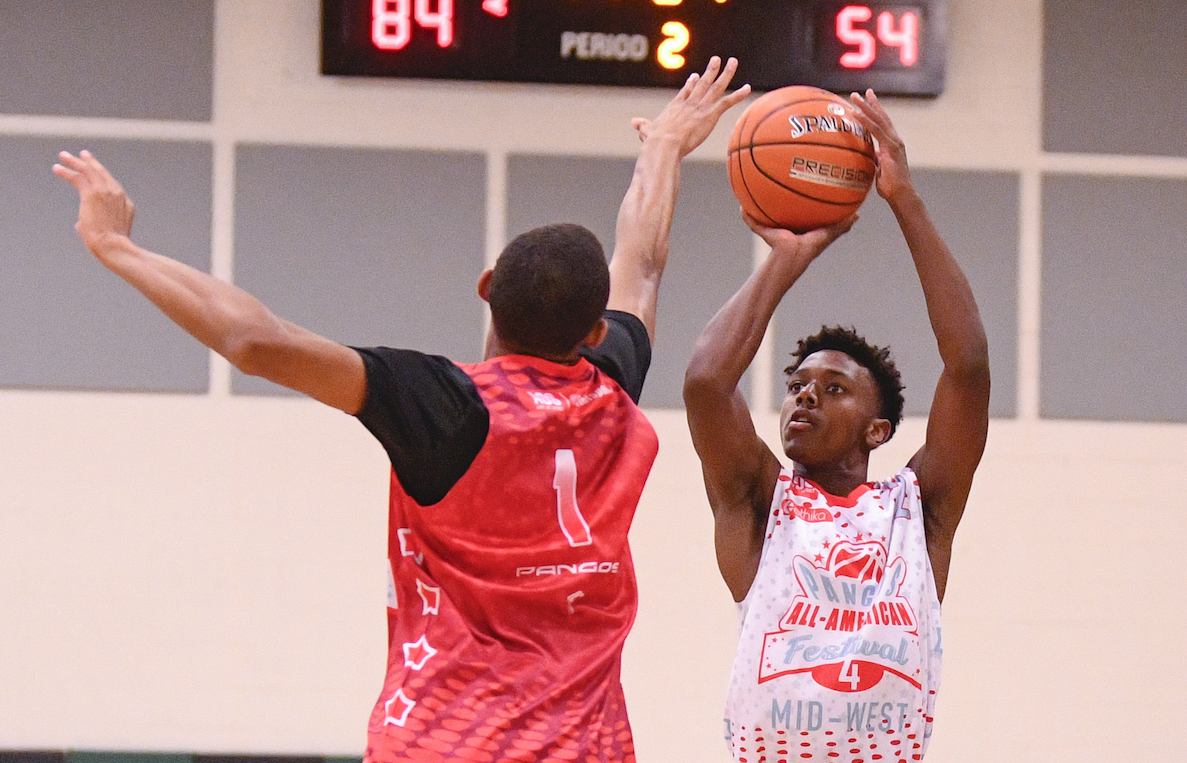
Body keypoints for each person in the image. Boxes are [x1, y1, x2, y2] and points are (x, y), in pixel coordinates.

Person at [54, 57, 750, 763]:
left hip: (440, 744)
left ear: (485, 289)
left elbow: (254, 341)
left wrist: (116, 246)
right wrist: (663, 147)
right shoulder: (613, 387)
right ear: (594, 332)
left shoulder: (440, 405)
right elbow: (645, 260)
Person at [683, 89, 989, 762]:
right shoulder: (762, 502)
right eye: (795, 388)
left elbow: (967, 367)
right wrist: (786, 262)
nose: (804, 399)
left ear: (877, 431)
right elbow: (707, 383)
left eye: (832, 388)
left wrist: (906, 202)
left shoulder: (919, 510)